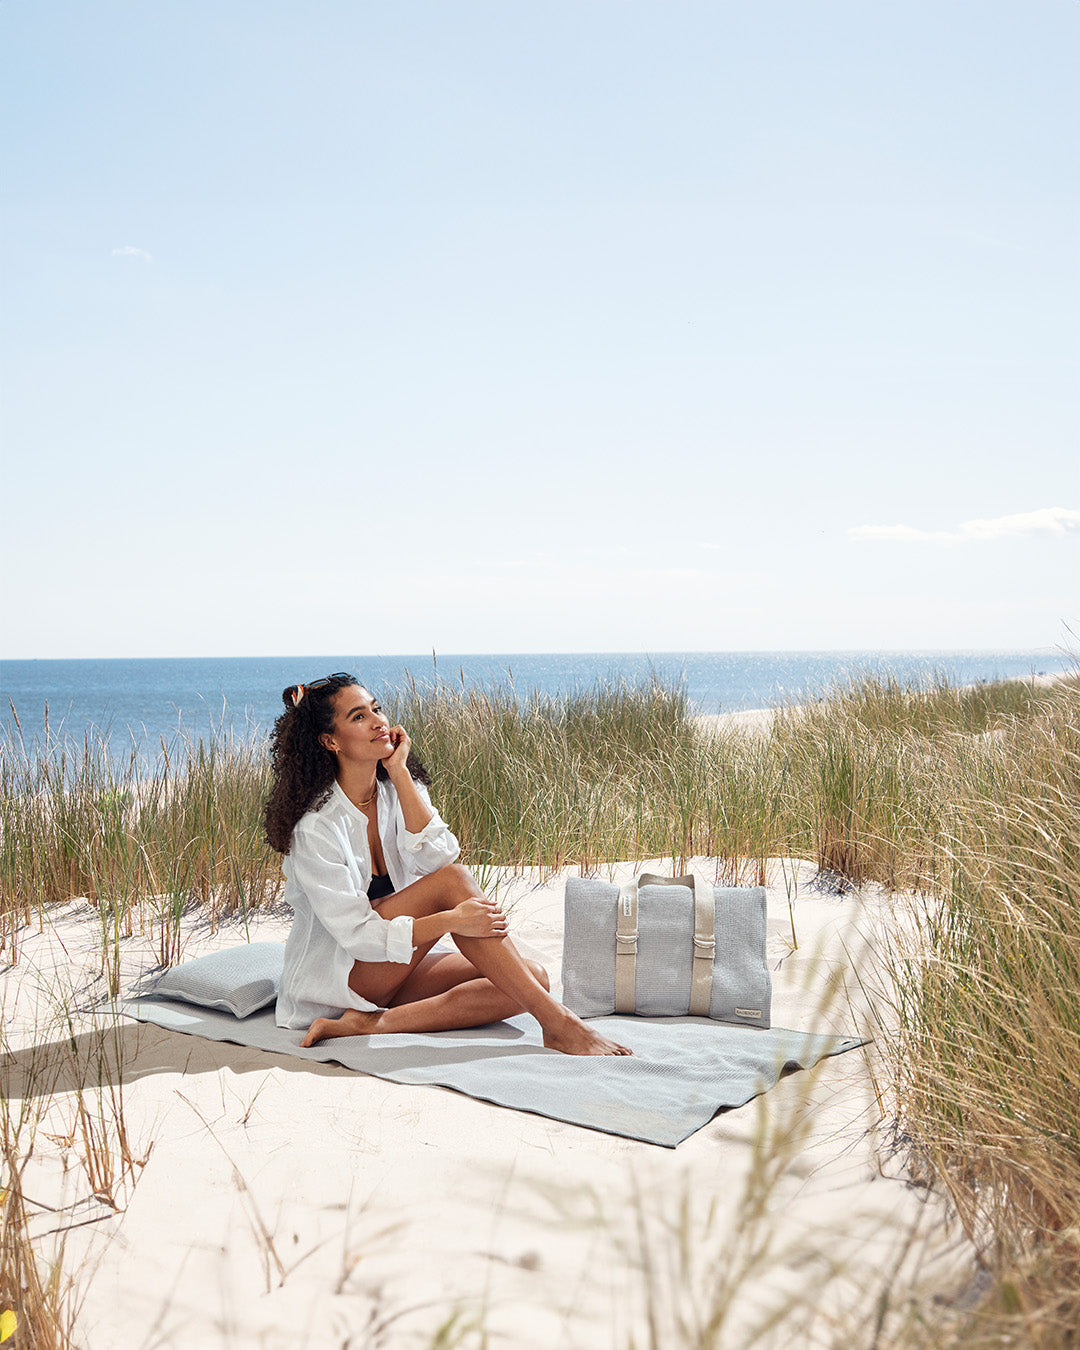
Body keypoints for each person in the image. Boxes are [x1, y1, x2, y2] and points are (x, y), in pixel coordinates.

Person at [264, 672, 631, 1056]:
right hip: (341, 977)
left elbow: (439, 858)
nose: (378, 722)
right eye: (358, 717)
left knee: (531, 980)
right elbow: (359, 935)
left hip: (392, 967)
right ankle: (559, 1024)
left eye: (377, 709)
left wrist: (400, 773)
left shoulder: (395, 790)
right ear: (330, 741)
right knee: (453, 884)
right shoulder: (317, 828)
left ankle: (372, 1023)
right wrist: (451, 921)